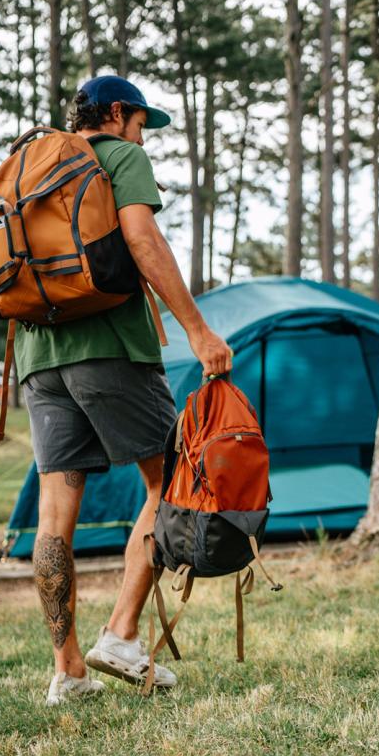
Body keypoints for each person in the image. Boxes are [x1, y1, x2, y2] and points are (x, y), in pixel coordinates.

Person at [24, 75, 232, 705]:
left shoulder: (34, 165)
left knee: (55, 512)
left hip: (39, 354)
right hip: (111, 346)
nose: (144, 136)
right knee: (170, 479)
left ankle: (67, 671)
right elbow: (142, 239)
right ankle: (120, 634)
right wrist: (197, 331)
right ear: (116, 113)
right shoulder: (119, 155)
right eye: (142, 122)